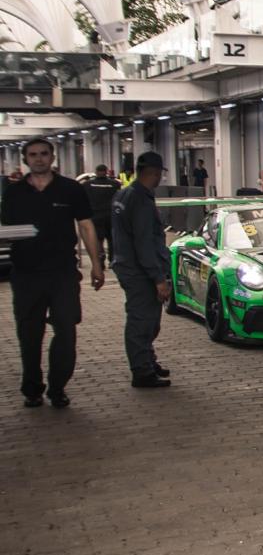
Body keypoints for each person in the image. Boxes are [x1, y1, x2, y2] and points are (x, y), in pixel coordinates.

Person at [1, 138, 105, 408]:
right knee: (29, 334)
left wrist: (96, 263)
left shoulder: (70, 189)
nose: (39, 159)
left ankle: (58, 387)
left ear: (52, 157)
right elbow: (6, 229)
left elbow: (86, 226)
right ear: (25, 159)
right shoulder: (14, 193)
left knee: (66, 331)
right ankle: (32, 388)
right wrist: (20, 233)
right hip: (26, 274)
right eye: (33, 155)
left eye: (44, 154)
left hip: (62, 274)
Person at [111, 151, 172, 389]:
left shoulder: (124, 194)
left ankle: (147, 360)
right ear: (156, 174)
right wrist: (158, 278)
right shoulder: (141, 201)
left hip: (128, 266)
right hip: (140, 272)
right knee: (143, 322)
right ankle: (142, 372)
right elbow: (144, 243)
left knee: (146, 320)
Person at [83, 164, 121, 262]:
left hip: (95, 216)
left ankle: (100, 258)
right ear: (106, 171)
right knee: (112, 239)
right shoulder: (115, 184)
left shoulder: (87, 184)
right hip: (111, 216)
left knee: (98, 240)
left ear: (96, 171)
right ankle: (112, 259)